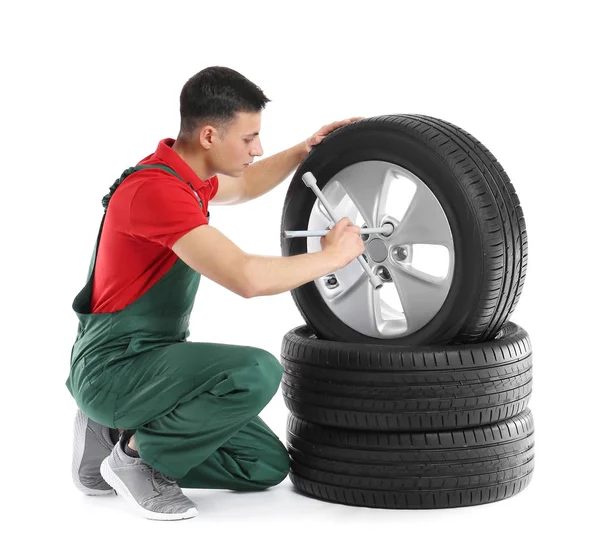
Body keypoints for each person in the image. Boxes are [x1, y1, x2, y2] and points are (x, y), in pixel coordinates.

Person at [66, 66, 365, 521]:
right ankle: (136, 456)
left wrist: (305, 150)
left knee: (263, 466)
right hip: (116, 366)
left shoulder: (187, 175)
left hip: (152, 364)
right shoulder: (156, 191)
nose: (258, 148)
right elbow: (246, 277)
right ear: (209, 135)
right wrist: (332, 258)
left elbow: (244, 185)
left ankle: (110, 432)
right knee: (255, 370)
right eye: (249, 138)